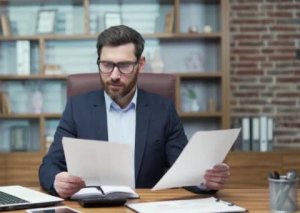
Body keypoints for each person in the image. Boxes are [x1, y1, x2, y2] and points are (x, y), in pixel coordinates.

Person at [39, 25, 230, 199]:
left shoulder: (163, 110)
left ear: (141, 64)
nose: (114, 75)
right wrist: (57, 180)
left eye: (124, 66)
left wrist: (206, 181)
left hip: (146, 206)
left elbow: (184, 169)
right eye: (106, 65)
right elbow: (49, 166)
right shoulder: (77, 108)